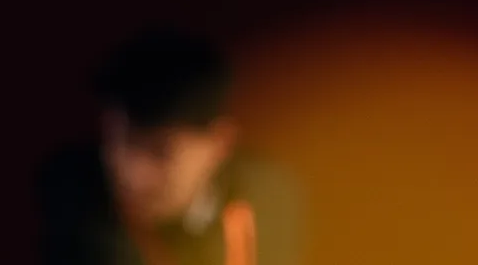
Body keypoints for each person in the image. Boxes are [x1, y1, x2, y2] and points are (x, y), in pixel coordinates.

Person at [36, 27, 300, 265]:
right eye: (120, 140)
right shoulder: (71, 204)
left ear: (220, 144)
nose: (132, 174)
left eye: (161, 152)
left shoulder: (266, 200)